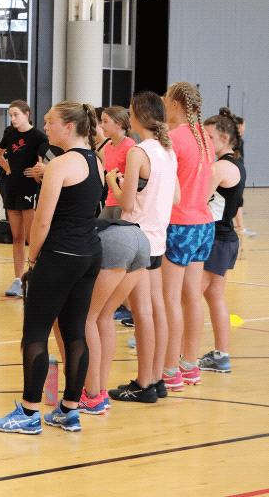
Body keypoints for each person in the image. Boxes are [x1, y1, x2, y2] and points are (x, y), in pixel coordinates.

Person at [0, 101, 102, 435]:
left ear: (69, 127)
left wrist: (33, 259)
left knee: (35, 333)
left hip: (60, 255)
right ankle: (69, 410)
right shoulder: (96, 160)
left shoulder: (60, 164)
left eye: (50, 121)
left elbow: (41, 221)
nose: (46, 127)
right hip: (89, 255)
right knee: (75, 332)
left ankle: (28, 413)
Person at [106, 92, 179, 403]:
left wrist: (113, 181)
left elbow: (126, 203)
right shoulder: (167, 151)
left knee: (143, 312)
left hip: (138, 238)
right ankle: (157, 379)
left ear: (138, 117)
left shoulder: (138, 152)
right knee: (156, 309)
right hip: (158, 238)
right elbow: (175, 197)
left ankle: (144, 384)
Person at [160, 81, 215, 391]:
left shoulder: (174, 138)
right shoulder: (204, 136)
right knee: (192, 297)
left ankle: (170, 368)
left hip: (179, 224)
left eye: (166, 99)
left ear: (176, 104)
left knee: (170, 299)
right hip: (203, 224)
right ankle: (190, 365)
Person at [80, 220, 150, 411]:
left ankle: (91, 395)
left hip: (114, 241)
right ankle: (99, 392)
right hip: (140, 237)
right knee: (105, 316)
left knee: (87, 318)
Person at [196, 108, 246, 374]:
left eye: (209, 137)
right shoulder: (234, 163)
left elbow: (197, 200)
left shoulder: (221, 167)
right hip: (223, 238)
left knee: (189, 298)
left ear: (225, 137)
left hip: (216, 239)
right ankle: (221, 356)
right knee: (214, 297)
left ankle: (181, 355)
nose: (205, 141)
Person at [0, 100, 48, 297]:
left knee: (30, 237)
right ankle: (18, 280)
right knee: (16, 236)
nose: (13, 118)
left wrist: (38, 172)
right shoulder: (10, 135)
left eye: (16, 114)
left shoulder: (38, 136)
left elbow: (45, 161)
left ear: (27, 114)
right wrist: (7, 167)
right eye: (10, 115)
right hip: (12, 188)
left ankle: (34, 278)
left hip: (29, 189)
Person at [98, 106, 137, 219]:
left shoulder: (130, 146)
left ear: (118, 125)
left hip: (124, 202)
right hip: (110, 200)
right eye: (101, 121)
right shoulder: (107, 147)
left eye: (105, 121)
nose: (101, 125)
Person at [232, 116, 256, 237]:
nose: (244, 128)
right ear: (239, 126)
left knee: (236, 199)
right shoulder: (237, 140)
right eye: (244, 125)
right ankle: (240, 227)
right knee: (237, 200)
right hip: (236, 171)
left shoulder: (234, 139)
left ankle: (239, 226)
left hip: (236, 171)